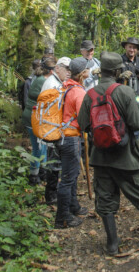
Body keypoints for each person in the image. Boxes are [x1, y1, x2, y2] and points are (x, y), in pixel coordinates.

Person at [77, 51, 139, 255]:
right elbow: (138, 123)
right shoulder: (124, 93)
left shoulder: (90, 95)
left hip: (101, 158)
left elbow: (83, 125)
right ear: (117, 71)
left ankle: (112, 244)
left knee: (105, 200)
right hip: (127, 158)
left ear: (100, 71)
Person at [54, 57, 89, 229]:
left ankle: (73, 206)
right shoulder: (79, 92)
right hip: (70, 138)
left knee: (72, 175)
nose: (89, 72)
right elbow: (83, 119)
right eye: (87, 69)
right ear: (83, 74)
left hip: (62, 137)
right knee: (68, 178)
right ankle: (62, 218)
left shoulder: (66, 86)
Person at [40, 56, 71, 205]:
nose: (68, 71)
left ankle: (54, 191)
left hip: (56, 128)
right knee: (53, 162)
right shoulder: (51, 84)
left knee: (56, 161)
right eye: (65, 68)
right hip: (51, 129)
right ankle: (51, 195)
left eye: (69, 69)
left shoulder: (59, 82)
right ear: (57, 68)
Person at [22, 56, 56, 185]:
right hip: (33, 118)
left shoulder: (40, 78)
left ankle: (42, 171)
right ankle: (34, 175)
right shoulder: (43, 81)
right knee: (38, 147)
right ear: (52, 71)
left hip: (36, 117)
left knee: (42, 146)